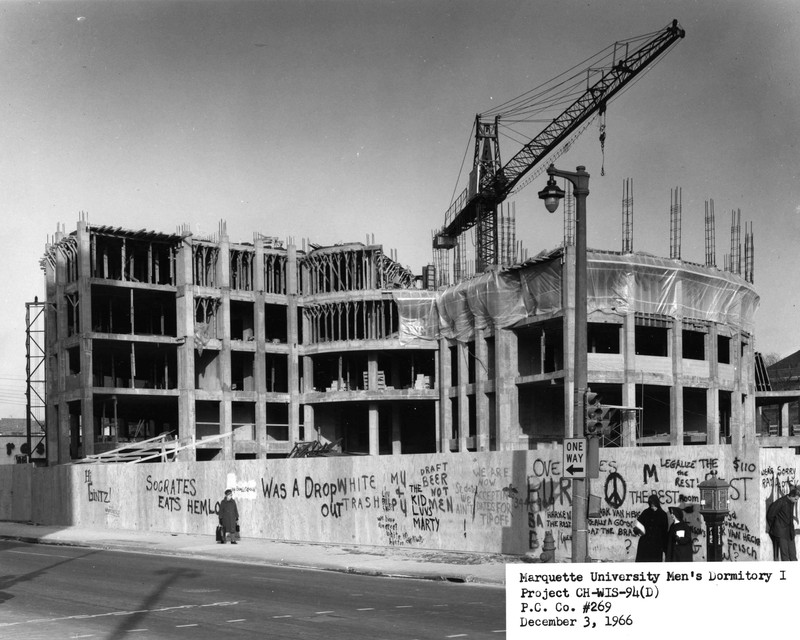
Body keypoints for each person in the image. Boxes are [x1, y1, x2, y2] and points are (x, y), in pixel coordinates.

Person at [766, 488, 800, 561]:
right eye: (796, 499)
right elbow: (770, 515)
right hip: (781, 532)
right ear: (791, 496)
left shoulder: (791, 501)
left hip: (790, 531)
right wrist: (777, 526)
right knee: (785, 556)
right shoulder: (780, 502)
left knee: (793, 555)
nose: (797, 501)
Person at [633, 494, 668, 562]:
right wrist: (636, 529)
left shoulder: (662, 514)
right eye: (650, 503)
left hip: (656, 545)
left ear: (656, 503)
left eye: (653, 503)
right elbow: (638, 523)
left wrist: (664, 547)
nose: (652, 504)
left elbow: (664, 531)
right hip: (645, 544)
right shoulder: (645, 512)